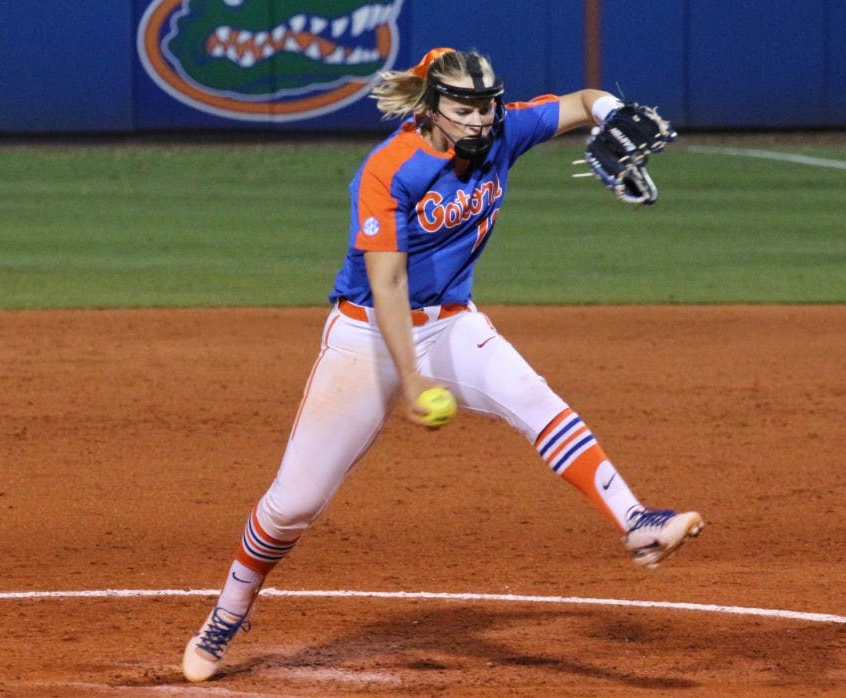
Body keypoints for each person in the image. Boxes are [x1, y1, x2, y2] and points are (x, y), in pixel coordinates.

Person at [182, 47, 703, 683]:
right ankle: (229, 610)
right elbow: (389, 281)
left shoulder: (506, 128)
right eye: (464, 108)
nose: (481, 120)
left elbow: (583, 102)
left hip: (454, 323)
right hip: (368, 335)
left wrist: (614, 111)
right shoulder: (390, 168)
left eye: (486, 106)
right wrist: (414, 378)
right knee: (295, 502)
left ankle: (636, 520)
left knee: (538, 402)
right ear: (431, 107)